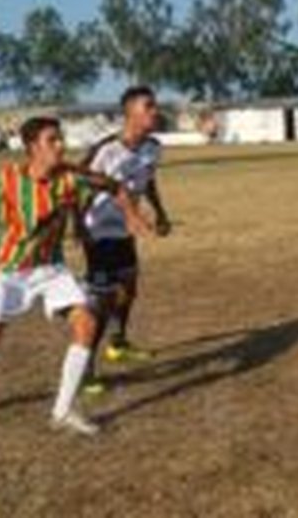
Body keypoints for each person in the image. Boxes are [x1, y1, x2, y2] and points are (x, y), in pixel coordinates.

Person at [0, 116, 149, 436]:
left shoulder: (70, 177)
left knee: (87, 323)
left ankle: (62, 412)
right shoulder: (6, 180)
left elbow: (114, 186)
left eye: (60, 138)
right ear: (33, 148)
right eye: (52, 140)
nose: (61, 145)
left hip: (51, 269)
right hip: (9, 272)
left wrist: (132, 216)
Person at [80, 86, 172, 391]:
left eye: (154, 105)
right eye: (148, 106)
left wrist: (159, 212)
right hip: (99, 233)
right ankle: (85, 369)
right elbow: (76, 188)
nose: (154, 111)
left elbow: (148, 181)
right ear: (129, 112)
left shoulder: (153, 147)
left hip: (124, 231)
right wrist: (78, 228)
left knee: (129, 289)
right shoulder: (105, 150)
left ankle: (117, 344)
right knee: (101, 302)